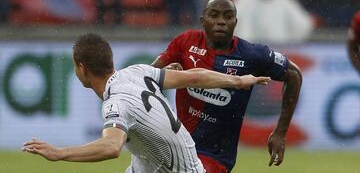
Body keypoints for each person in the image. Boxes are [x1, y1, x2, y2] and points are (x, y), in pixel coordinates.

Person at [22, 33, 270, 172]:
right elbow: (193, 75)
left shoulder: (116, 104)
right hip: (156, 165)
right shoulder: (138, 71)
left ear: (82, 68)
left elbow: (111, 147)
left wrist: (59, 153)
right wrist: (237, 81)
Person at [151, 0, 303, 172]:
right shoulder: (185, 42)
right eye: (214, 15)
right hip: (178, 146)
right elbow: (147, 75)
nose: (221, 21)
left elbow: (294, 75)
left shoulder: (251, 55)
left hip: (215, 156)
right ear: (203, 20)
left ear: (235, 22)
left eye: (228, 16)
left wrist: (280, 132)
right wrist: (164, 73)